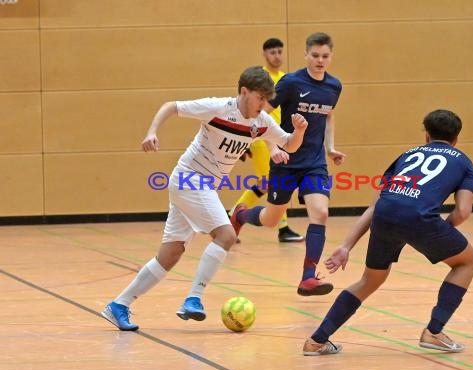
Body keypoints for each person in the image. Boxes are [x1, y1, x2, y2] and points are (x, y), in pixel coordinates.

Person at [101, 66, 308, 331]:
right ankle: (194, 298)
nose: (263, 104)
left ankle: (119, 304)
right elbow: (171, 106)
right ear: (244, 92)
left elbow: (288, 143)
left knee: (171, 254)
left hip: (202, 186)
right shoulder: (218, 108)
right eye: (259, 98)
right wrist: (152, 131)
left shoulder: (261, 122)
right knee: (227, 235)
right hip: (189, 178)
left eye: (266, 99)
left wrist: (299, 131)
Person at [302, 109, 473, 355]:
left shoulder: (406, 155)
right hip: (420, 218)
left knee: (369, 280)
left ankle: (316, 340)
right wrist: (437, 235)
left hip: (385, 215)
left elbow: (376, 205)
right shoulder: (463, 162)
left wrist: (346, 246)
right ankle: (434, 331)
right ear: (457, 138)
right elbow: (462, 212)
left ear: (426, 136)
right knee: (467, 262)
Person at [231, 32, 346, 296]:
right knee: (271, 219)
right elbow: (262, 114)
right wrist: (271, 147)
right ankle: (241, 214)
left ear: (331, 56)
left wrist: (329, 149)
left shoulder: (334, 86)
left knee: (321, 213)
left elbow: (328, 118)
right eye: (315, 55)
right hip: (285, 160)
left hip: (314, 163)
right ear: (306, 55)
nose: (320, 60)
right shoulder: (291, 82)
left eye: (325, 56)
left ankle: (308, 277)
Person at [229, 37, 304, 243]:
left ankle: (231, 218)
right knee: (275, 182)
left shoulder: (285, 79)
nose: (277, 56)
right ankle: (283, 227)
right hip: (261, 138)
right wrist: (246, 139)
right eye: (273, 52)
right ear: (264, 54)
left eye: (280, 51)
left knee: (264, 183)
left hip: (277, 138)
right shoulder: (260, 78)